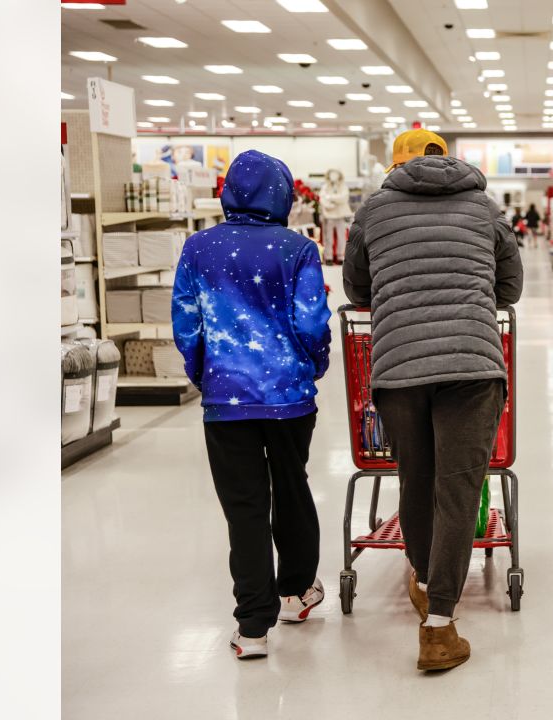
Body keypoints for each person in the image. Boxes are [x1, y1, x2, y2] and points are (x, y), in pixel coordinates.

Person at [343, 129, 523, 672]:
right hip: (472, 364)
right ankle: (440, 627)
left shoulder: (372, 212)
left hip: (398, 368)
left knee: (415, 482)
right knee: (460, 487)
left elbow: (357, 289)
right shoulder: (485, 207)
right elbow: (510, 289)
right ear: (450, 158)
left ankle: (424, 583)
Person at [171, 150, 332, 660]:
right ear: (282, 193)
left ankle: (253, 628)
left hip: (226, 402)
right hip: (290, 400)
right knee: (291, 489)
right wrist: (315, 365)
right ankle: (298, 592)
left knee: (243, 510)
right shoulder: (297, 249)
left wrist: (203, 373)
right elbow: (311, 323)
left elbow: (187, 322)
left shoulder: (197, 249)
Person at [319, 168, 353, 265]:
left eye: (336, 174)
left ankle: (341, 256)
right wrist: (331, 204)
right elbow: (323, 199)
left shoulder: (343, 186)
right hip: (329, 215)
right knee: (328, 237)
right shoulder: (325, 187)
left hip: (340, 215)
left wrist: (331, 198)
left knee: (341, 236)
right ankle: (328, 257)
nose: (333, 176)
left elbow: (344, 198)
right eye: (332, 174)